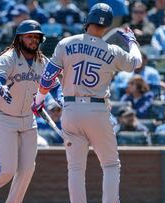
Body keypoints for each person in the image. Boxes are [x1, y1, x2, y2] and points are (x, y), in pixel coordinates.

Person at [31, 3, 142, 203]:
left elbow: (48, 78)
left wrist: (38, 101)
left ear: (87, 20)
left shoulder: (66, 43)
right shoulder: (113, 50)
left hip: (71, 109)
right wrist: (132, 42)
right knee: (110, 165)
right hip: (97, 108)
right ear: (107, 26)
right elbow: (137, 62)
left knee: (75, 168)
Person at [0, 19, 63, 203]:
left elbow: (55, 86)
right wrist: (0, 88)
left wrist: (61, 99)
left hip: (28, 119)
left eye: (36, 37)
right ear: (19, 38)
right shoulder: (8, 57)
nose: (33, 40)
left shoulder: (42, 62)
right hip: (2, 116)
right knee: (7, 169)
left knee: (27, 169)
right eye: (29, 36)